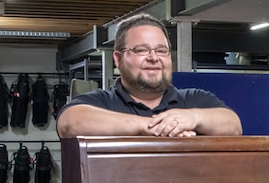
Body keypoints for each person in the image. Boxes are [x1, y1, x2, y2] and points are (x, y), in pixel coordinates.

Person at [57, 13, 242, 138]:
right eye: (141, 50)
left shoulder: (194, 100)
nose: (154, 58)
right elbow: (69, 123)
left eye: (161, 51)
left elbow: (233, 126)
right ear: (118, 58)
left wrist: (193, 118)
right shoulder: (103, 102)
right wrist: (150, 126)